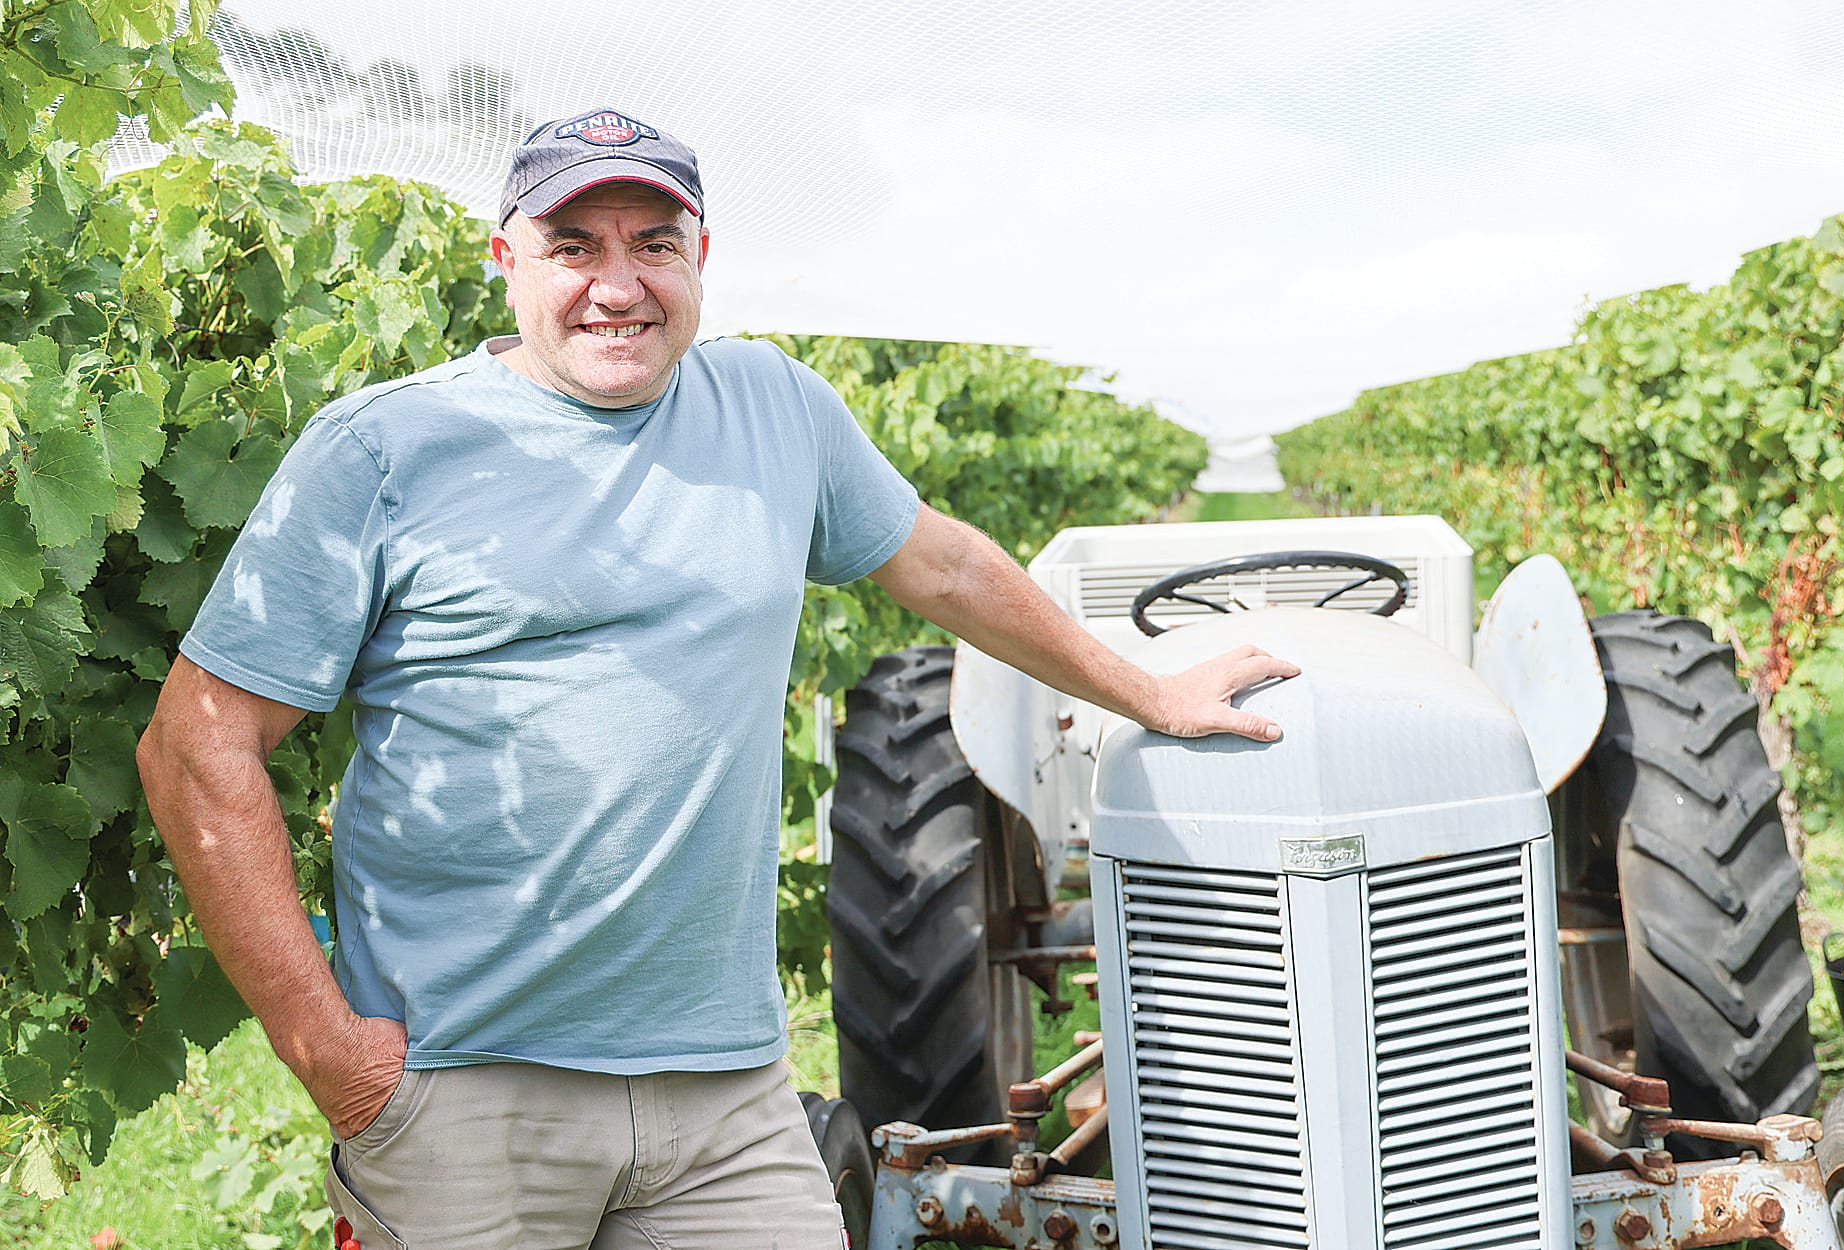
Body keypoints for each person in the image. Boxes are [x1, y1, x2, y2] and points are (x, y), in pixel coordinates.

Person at [135, 108, 1299, 1250]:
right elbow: (196, 744)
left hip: (724, 1094)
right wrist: (323, 1047)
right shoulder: (383, 449)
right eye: (572, 245)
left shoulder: (774, 408)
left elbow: (941, 562)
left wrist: (1141, 691)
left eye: (653, 243)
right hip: (468, 1087)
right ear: (504, 261)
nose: (617, 283)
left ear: (701, 257)